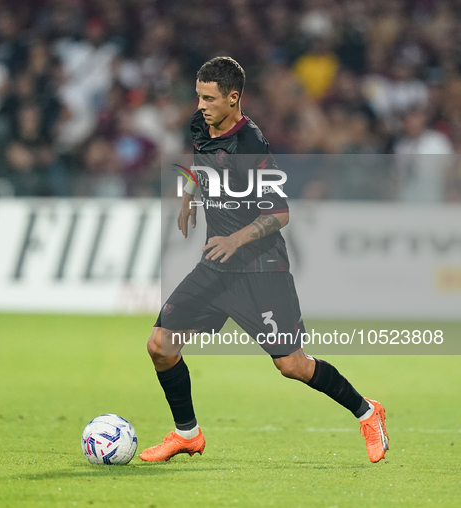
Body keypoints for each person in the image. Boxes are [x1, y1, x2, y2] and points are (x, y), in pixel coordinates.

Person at [140, 57, 389, 464]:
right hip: (215, 267)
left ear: (233, 97)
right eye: (198, 96)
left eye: (209, 98)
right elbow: (198, 167)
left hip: (260, 270)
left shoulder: (252, 146)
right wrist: (188, 194)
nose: (200, 105)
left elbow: (279, 213)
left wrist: (236, 239)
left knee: (291, 365)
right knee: (160, 345)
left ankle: (367, 411)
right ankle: (188, 434)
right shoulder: (200, 126)